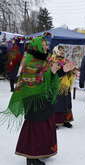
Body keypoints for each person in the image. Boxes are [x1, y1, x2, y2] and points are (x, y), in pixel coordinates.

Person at [1, 36, 62, 165]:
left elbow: (47, 80)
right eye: (44, 44)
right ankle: (31, 157)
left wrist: (55, 72)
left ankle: (41, 151)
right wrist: (50, 71)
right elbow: (33, 80)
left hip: (42, 97)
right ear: (37, 46)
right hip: (32, 98)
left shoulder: (45, 60)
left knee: (44, 124)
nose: (46, 46)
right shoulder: (30, 60)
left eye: (46, 44)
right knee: (35, 127)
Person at [49, 45, 76, 128]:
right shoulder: (52, 60)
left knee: (67, 103)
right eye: (60, 50)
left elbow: (69, 70)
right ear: (55, 50)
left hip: (66, 85)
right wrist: (64, 70)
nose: (62, 52)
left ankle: (66, 120)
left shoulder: (65, 60)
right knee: (57, 104)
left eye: (63, 50)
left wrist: (72, 71)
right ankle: (55, 121)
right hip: (57, 86)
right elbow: (53, 74)